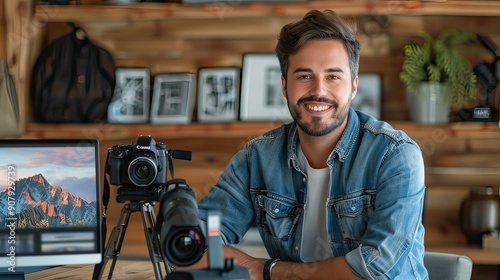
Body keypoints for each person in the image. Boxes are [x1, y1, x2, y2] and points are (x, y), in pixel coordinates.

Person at [194, 9, 428, 279]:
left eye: (333, 77)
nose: (318, 90)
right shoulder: (256, 157)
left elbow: (374, 269)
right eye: (304, 76)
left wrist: (268, 271)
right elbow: (194, 243)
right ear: (284, 85)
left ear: (353, 86)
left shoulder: (395, 155)